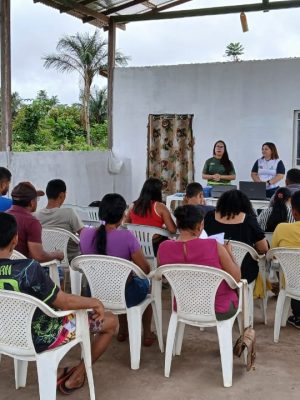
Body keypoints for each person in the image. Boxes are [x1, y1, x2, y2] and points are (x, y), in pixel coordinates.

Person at [0, 212, 117, 394]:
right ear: (15, 239)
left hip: (5, 334)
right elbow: (65, 302)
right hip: (40, 336)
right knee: (110, 321)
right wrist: (94, 302)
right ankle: (78, 374)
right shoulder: (28, 268)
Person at [80, 193, 156, 346]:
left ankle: (122, 331)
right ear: (122, 215)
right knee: (147, 284)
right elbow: (145, 269)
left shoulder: (85, 234)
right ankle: (147, 333)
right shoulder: (127, 236)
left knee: (124, 283)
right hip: (125, 295)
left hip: (93, 294)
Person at [157, 205, 241, 320]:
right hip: (219, 308)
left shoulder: (163, 248)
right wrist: (229, 252)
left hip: (184, 307)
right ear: (199, 225)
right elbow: (236, 278)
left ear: (177, 224)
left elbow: (161, 276)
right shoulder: (214, 246)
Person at [204, 189, 269, 283]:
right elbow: (263, 248)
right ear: (245, 205)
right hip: (243, 272)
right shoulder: (249, 220)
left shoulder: (209, 217)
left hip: (213, 269)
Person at [6, 181, 64, 262]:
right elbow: (39, 256)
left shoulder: (3, 216)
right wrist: (57, 254)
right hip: (23, 271)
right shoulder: (31, 222)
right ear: (32, 202)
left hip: (3, 269)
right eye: (37, 198)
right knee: (59, 270)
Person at [35, 179, 84, 261]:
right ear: (61, 195)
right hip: (71, 259)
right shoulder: (69, 213)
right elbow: (84, 234)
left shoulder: (36, 216)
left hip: (48, 259)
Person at [124, 177, 176, 254]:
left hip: (137, 246)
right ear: (157, 192)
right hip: (155, 246)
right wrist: (161, 229)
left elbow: (126, 224)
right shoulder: (160, 207)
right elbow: (172, 230)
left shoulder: (133, 205)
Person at [272, 190, 300, 329]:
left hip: (291, 283)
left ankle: (298, 316)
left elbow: (272, 255)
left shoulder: (282, 228)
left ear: (294, 212)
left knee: (291, 274)